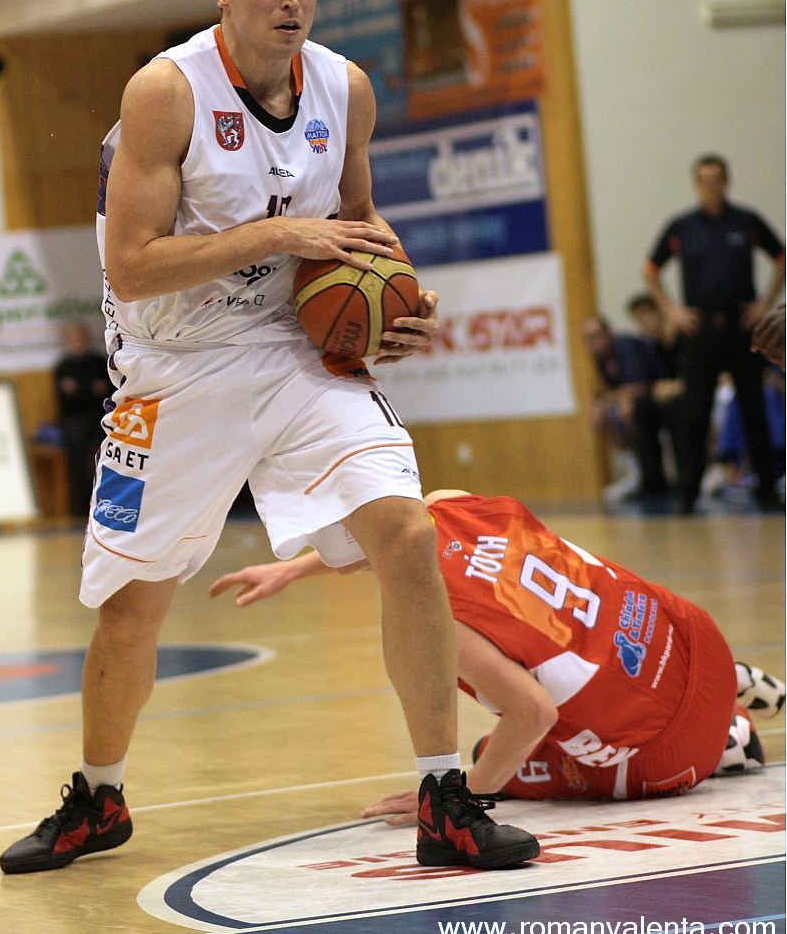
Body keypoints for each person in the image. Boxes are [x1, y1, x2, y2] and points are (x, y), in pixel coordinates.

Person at [0, 0, 537, 875]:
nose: (291, 0)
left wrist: (401, 300)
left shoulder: (345, 87)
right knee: (132, 604)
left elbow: (361, 224)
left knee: (408, 536)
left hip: (296, 351)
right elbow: (130, 268)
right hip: (175, 363)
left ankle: (444, 796)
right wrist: (283, 235)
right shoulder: (166, 92)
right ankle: (99, 797)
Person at [210, 489, 784, 825]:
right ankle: (732, 680)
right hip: (693, 636)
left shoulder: (434, 616)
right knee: (594, 636)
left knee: (498, 762)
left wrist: (458, 795)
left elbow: (534, 713)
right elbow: (382, 535)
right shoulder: (446, 502)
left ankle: (733, 739)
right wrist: (293, 569)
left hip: (669, 748)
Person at [643, 154, 785, 513]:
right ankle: (688, 492)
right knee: (694, 412)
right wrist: (671, 311)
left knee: (753, 407)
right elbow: (650, 269)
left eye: (716, 179)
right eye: (704, 180)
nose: (711, 186)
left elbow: (781, 257)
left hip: (742, 327)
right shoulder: (682, 227)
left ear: (726, 181)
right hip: (700, 330)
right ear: (696, 184)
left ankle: (766, 488)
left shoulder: (746, 221)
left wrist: (766, 301)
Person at [580, 315, 650, 503]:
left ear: (608, 332)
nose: (594, 341)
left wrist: (608, 400)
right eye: (588, 338)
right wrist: (601, 402)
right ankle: (635, 471)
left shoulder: (625, 346)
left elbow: (638, 385)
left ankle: (649, 471)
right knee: (599, 416)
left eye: (597, 335)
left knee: (625, 410)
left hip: (652, 391)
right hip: (629, 397)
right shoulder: (601, 358)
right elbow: (611, 388)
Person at [625, 293, 686, 499]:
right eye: (637, 319)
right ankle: (652, 481)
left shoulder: (683, 335)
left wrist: (678, 385)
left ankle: (685, 478)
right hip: (665, 396)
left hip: (689, 393)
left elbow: (703, 373)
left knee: (675, 409)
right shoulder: (650, 345)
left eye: (645, 315)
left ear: (659, 313)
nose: (643, 323)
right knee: (642, 406)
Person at [53, 321, 111, 517]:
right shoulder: (63, 367)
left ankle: (109, 501)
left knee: (113, 442)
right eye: (74, 339)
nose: (78, 342)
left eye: (81, 338)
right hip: (74, 419)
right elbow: (66, 400)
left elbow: (107, 394)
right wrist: (90, 390)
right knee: (75, 444)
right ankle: (81, 506)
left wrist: (80, 390)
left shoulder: (100, 363)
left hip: (99, 416)